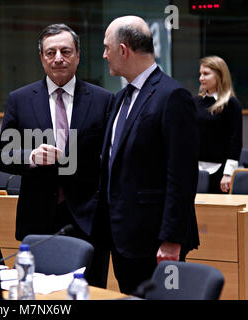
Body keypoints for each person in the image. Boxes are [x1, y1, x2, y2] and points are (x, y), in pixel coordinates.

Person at [0, 23, 113, 287]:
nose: (58, 58)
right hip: (38, 218)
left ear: (78, 55)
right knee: (35, 294)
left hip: (90, 219)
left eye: (65, 51)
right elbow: (2, 155)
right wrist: (31, 156)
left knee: (90, 292)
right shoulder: (20, 99)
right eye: (51, 52)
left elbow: (110, 160)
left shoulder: (103, 100)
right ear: (42, 57)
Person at [96, 15, 200, 294]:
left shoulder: (172, 95)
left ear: (123, 50)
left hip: (156, 242)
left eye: (107, 47)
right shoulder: (119, 98)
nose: (104, 55)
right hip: (122, 239)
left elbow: (182, 176)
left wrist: (171, 239)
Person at [195, 56, 243, 194]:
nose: (201, 78)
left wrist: (228, 174)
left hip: (220, 173)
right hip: (195, 170)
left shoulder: (231, 105)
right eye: (200, 74)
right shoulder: (195, 102)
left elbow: (235, 141)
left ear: (219, 75)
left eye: (206, 74)